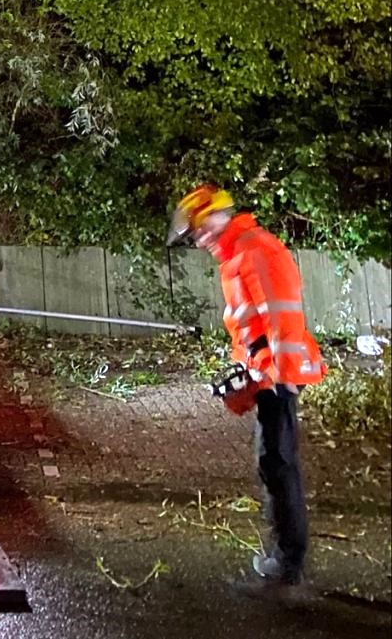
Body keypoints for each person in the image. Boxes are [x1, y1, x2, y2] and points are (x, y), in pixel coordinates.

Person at [168, 185, 326, 593]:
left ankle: (287, 565)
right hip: (270, 372)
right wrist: (247, 373)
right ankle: (285, 559)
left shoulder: (253, 249)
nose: (200, 240)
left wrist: (278, 376)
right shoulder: (238, 255)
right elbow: (254, 326)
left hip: (279, 374)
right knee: (273, 461)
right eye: (195, 235)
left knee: (277, 462)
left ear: (218, 217)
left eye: (201, 230)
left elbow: (282, 317)